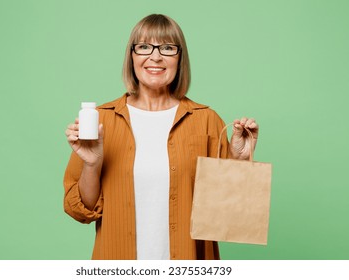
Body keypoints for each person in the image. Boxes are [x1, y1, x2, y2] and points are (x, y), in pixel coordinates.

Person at [63, 14, 259, 260]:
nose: (155, 57)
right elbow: (81, 211)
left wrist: (238, 161)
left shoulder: (206, 120)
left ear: (180, 58)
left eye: (167, 48)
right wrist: (92, 164)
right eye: (144, 47)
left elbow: (226, 216)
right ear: (132, 56)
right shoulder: (100, 120)